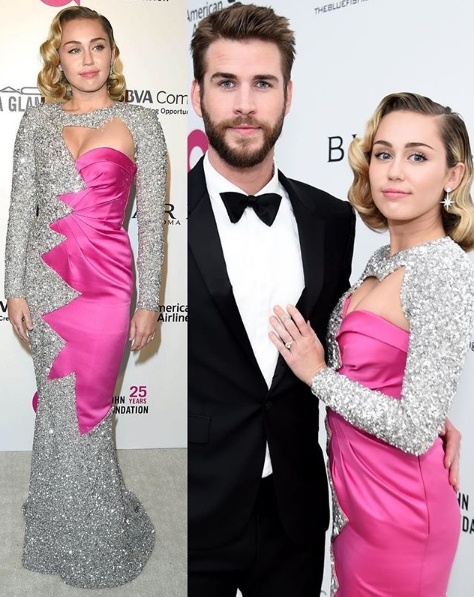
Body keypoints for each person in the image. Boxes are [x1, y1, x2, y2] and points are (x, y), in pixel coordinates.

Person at [188, 6, 460, 596]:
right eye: (226, 82)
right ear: (196, 94)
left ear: (288, 96)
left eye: (263, 84)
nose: (244, 104)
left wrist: (423, 410)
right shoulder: (160, 218)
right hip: (194, 508)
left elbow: (338, 358)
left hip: (299, 511)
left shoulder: (332, 220)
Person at [270, 92, 474, 596]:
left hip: (401, 513)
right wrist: (429, 411)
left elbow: (412, 429)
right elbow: (386, 378)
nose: (394, 172)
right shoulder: (382, 260)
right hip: (354, 503)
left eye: (418, 156)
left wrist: (318, 376)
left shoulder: (445, 271)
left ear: (453, 176)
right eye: (384, 154)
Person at [4, 6, 167, 589]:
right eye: (74, 49)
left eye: (97, 46)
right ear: (59, 59)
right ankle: (55, 529)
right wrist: (13, 287)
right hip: (45, 282)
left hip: (107, 286)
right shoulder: (36, 120)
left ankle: (98, 541)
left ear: (112, 53)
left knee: (90, 415)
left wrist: (150, 301)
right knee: (55, 412)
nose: (88, 59)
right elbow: (20, 210)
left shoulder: (141, 122)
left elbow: (152, 221)